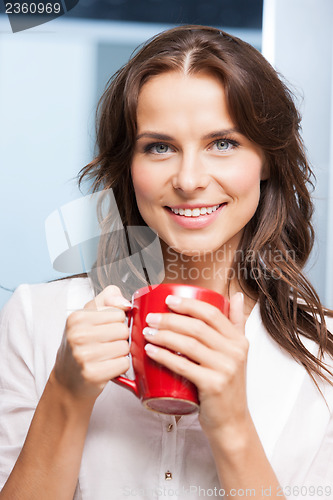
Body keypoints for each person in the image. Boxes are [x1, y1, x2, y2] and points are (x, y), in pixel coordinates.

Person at [0, 25, 333, 500]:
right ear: (127, 165)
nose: (190, 179)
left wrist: (232, 425)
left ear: (267, 161)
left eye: (223, 143)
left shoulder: (323, 355)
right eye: (160, 147)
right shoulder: (37, 319)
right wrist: (66, 396)